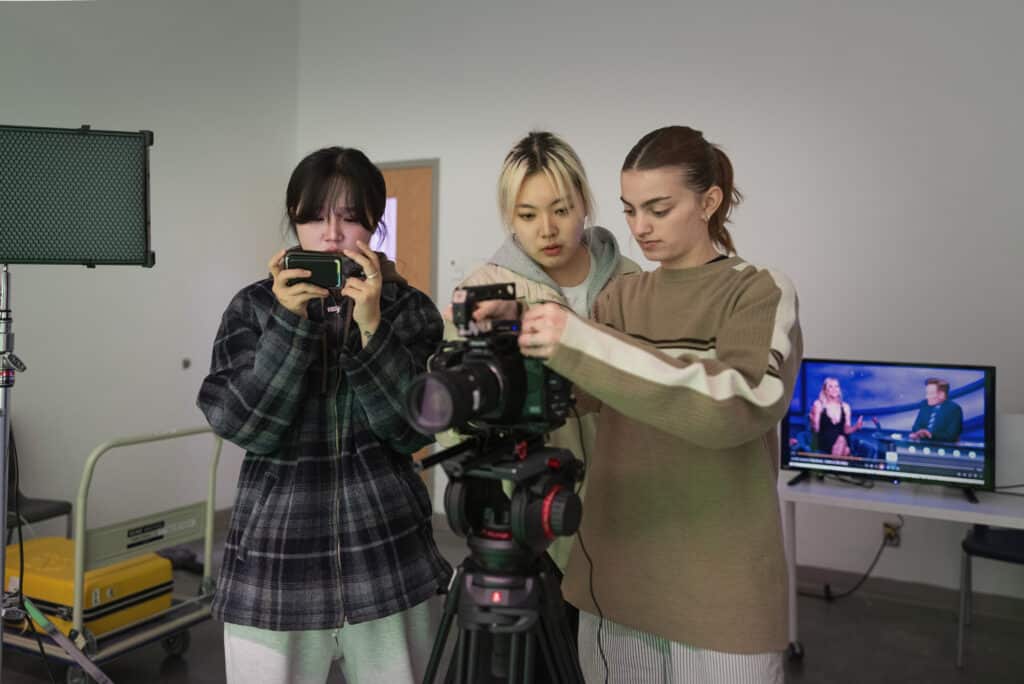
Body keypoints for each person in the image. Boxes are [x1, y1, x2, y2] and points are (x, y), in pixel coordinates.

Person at [516, 125, 803, 683]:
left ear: (709, 201)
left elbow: (741, 403)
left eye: (658, 208)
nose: (639, 228)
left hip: (721, 594)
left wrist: (582, 342)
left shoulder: (757, 290)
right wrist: (514, 353)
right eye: (629, 210)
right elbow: (573, 398)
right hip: (616, 583)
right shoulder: (621, 298)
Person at [197, 146, 452, 684]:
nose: (332, 233)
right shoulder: (254, 308)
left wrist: (373, 329)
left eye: (350, 216)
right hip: (274, 564)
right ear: (294, 217)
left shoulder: (408, 309)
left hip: (388, 560)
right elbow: (245, 426)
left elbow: (411, 432)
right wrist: (289, 328)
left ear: (374, 222)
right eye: (315, 216)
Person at [809, 377, 863, 456]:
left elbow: (846, 430)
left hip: (843, 440)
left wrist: (856, 427)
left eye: (836, 386)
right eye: (830, 386)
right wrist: (813, 420)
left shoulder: (846, 407)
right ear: (825, 390)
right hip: (825, 440)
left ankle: (832, 465)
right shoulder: (818, 404)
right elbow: (816, 430)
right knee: (846, 450)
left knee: (842, 440)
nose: (834, 389)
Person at [909, 377, 963, 442]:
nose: (927, 397)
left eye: (930, 393)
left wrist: (931, 435)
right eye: (927, 393)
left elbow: (952, 436)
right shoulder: (924, 404)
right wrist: (919, 433)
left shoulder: (954, 409)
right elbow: (915, 427)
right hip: (922, 445)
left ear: (942, 395)